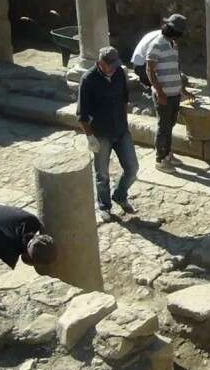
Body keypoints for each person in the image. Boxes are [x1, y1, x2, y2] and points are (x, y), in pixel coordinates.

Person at [77, 46, 140, 222]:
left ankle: (120, 195)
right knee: (102, 174)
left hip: (121, 130)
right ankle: (104, 206)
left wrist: (124, 124)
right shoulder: (88, 79)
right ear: (100, 63)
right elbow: (82, 115)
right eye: (110, 65)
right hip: (101, 134)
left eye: (115, 64)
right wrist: (90, 137)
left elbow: (124, 100)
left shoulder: (120, 73)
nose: (113, 68)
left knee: (132, 169)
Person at [146, 14, 191, 172]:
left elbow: (176, 68)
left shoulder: (173, 45)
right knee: (163, 127)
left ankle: (168, 154)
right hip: (164, 95)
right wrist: (160, 93)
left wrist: (182, 88)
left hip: (174, 93)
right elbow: (150, 70)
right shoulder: (157, 44)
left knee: (170, 125)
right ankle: (160, 159)